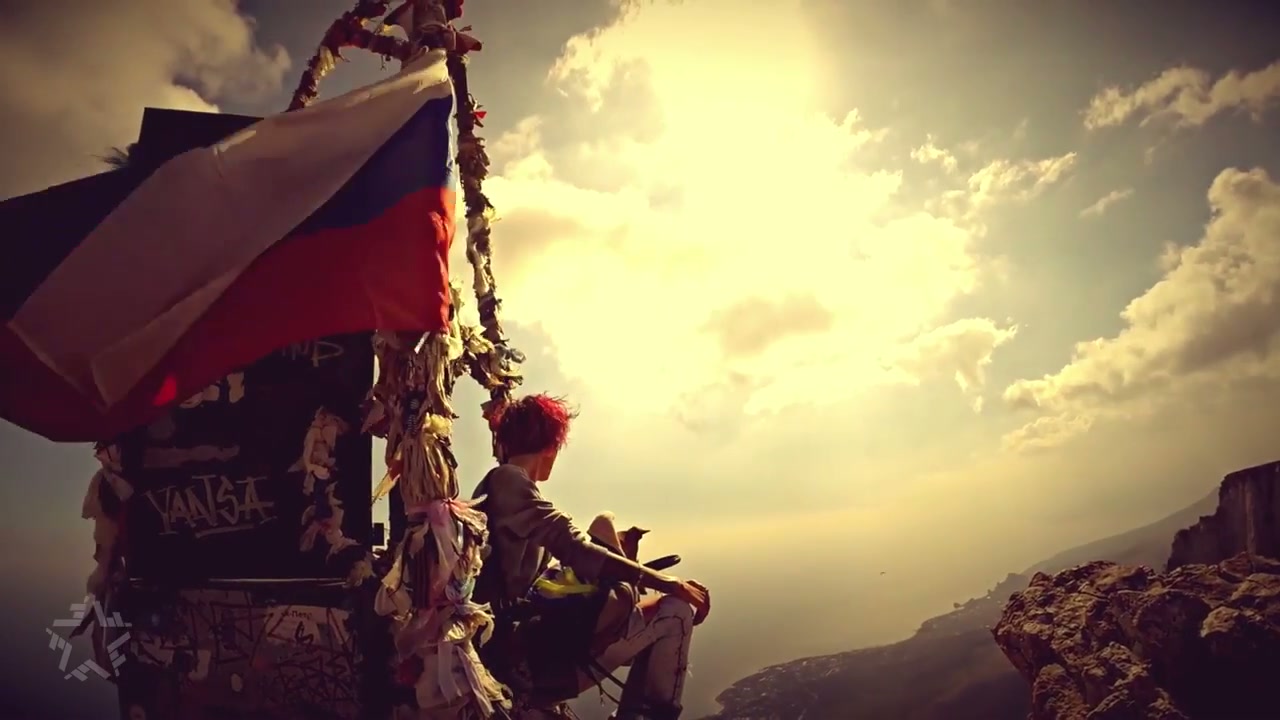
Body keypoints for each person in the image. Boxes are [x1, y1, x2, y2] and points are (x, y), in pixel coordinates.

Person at [471, 394, 710, 720]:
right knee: (676, 611)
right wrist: (666, 582)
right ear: (551, 447)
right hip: (530, 665)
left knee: (623, 572)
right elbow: (574, 546)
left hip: (528, 653)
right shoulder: (508, 479)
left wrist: (622, 560)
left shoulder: (501, 488)